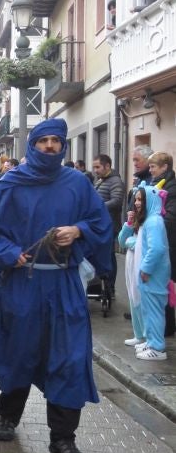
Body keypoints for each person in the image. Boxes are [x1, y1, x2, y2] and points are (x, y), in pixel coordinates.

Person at [0, 119, 112, 453]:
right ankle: (8, 416)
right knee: (19, 351)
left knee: (69, 358)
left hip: (64, 283)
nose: (50, 146)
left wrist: (78, 230)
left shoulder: (77, 183)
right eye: (44, 140)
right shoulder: (12, 182)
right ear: (33, 144)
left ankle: (63, 438)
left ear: (63, 145)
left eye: (56, 140)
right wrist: (10, 253)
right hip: (23, 283)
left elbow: (101, 223)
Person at [118, 186, 169, 360]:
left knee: (153, 311)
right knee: (146, 308)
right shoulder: (150, 220)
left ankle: (157, 348)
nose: (137, 203)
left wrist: (146, 269)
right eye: (136, 199)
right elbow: (124, 241)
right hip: (147, 274)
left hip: (153, 275)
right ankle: (151, 342)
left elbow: (157, 248)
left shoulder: (154, 222)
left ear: (150, 200)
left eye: (141, 199)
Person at [147, 151, 176, 338]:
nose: (150, 170)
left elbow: (171, 217)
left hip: (168, 243)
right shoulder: (159, 184)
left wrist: (151, 225)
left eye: (153, 167)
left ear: (164, 167)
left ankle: (166, 328)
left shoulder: (171, 188)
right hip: (163, 241)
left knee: (164, 285)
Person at [92, 153, 126, 296]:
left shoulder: (115, 181)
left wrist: (97, 207)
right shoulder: (102, 180)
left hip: (110, 225)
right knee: (100, 254)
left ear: (107, 166)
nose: (95, 170)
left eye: (97, 167)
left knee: (109, 256)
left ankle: (110, 287)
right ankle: (98, 283)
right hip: (100, 224)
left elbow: (117, 201)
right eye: (94, 167)